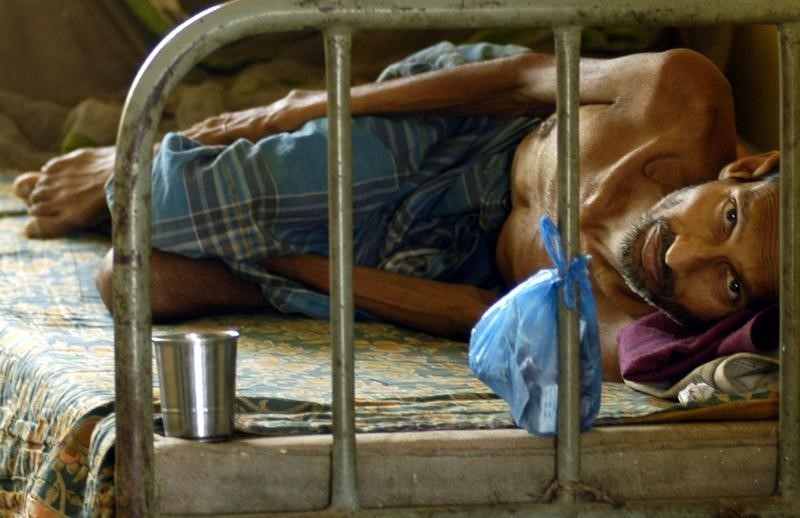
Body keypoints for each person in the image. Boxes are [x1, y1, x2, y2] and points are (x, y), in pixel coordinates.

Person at [11, 47, 779, 381]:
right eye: (730, 221)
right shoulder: (679, 94)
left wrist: (300, 270)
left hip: (450, 254)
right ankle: (127, 167)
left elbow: (478, 313)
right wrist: (303, 104)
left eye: (733, 286)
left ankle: (245, 263)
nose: (682, 260)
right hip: (461, 137)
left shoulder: (633, 328)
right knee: (161, 198)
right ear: (746, 169)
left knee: (134, 282)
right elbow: (515, 79)